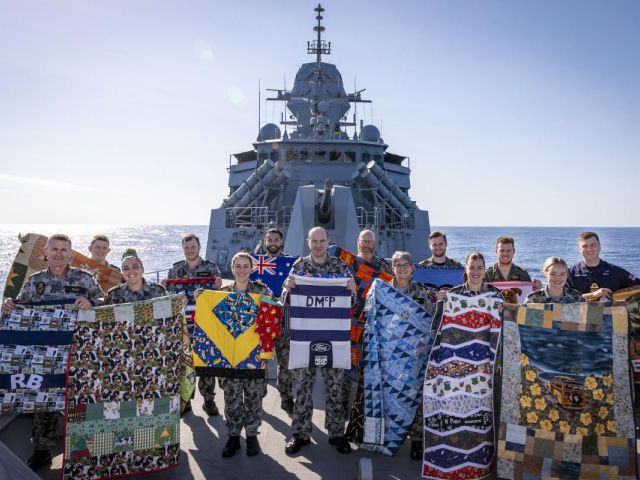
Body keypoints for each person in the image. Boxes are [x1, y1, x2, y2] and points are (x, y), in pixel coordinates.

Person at [1, 234, 104, 471]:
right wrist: (8, 305)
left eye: (63, 250)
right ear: (46, 253)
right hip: (44, 355)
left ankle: (85, 450)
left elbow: (104, 302)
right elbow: (19, 308)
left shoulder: (85, 278)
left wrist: (92, 304)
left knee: (82, 399)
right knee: (43, 400)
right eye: (54, 249)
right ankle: (42, 451)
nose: (59, 254)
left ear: (71, 253)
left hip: (78, 351)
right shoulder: (34, 281)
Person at [281, 226, 356, 455]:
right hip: (305, 336)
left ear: (327, 241)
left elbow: (352, 304)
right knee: (302, 387)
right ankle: (300, 434)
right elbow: (286, 301)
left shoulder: (341, 268)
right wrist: (288, 288)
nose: (318, 245)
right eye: (314, 241)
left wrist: (353, 291)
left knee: (335, 387)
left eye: (322, 240)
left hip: (333, 338)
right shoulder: (299, 267)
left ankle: (336, 433)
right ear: (308, 242)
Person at [210, 251, 273, 458]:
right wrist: (202, 297)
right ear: (232, 268)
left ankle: (252, 435)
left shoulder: (262, 291)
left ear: (252, 268)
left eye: (246, 266)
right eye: (238, 266)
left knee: (254, 397)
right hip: (230, 357)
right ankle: (234, 436)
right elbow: (212, 320)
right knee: (232, 397)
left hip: (254, 356)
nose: (242, 270)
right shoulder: (223, 293)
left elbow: (274, 314)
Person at [390, 251, 443, 459]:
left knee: (416, 397)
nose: (402, 268)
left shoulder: (422, 292)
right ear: (392, 268)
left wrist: (441, 300)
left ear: (413, 268)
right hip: (391, 353)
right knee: (393, 395)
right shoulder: (385, 291)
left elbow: (432, 320)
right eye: (398, 265)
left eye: (406, 265)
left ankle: (417, 440)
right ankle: (392, 437)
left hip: (416, 354)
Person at [165, 233, 223, 416]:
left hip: (204, 326)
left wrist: (219, 287)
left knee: (206, 364)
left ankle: (209, 400)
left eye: (193, 247)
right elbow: (169, 297)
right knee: (185, 364)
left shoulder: (211, 268)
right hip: (183, 327)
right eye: (186, 247)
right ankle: (186, 400)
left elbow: (217, 297)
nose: (190, 250)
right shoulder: (174, 271)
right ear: (183, 249)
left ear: (199, 247)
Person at [254, 228, 295, 414]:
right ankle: (259, 395)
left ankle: (286, 396)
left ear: (281, 241)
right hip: (262, 320)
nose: (272, 242)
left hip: (283, 320)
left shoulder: (291, 265)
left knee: (284, 362)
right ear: (264, 241)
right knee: (260, 359)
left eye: (276, 239)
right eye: (269, 239)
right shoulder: (254, 264)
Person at [568, 231, 640, 301]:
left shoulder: (616, 272)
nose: (589, 249)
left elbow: (638, 286)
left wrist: (615, 297)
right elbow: (560, 297)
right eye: (585, 246)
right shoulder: (569, 274)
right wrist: (592, 295)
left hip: (610, 313)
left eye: (593, 245)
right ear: (579, 249)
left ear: (600, 247)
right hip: (579, 313)